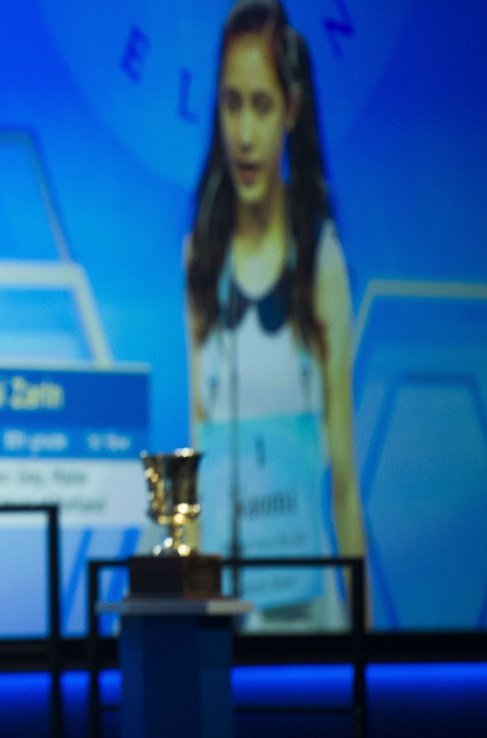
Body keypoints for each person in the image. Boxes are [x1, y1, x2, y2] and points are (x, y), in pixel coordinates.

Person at [184, 0, 366, 629]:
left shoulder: (320, 259)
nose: (244, 135)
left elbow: (342, 470)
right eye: (232, 104)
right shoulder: (200, 259)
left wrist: (369, 655)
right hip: (229, 613)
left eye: (261, 106)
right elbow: (195, 455)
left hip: (309, 610)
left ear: (291, 110)